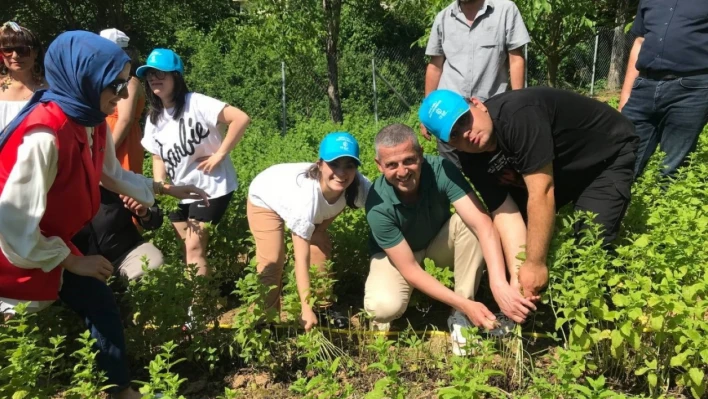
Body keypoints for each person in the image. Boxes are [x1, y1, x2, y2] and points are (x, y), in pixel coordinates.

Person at [0, 31, 208, 399]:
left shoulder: (89, 118)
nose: (125, 94)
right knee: (16, 332)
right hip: (16, 250)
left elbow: (110, 173)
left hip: (49, 241)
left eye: (125, 82)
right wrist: (70, 261)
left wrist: (161, 189)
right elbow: (11, 223)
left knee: (99, 302)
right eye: (115, 83)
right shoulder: (44, 135)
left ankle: (120, 391)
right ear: (84, 79)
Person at [419, 88, 638, 301]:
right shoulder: (470, 158)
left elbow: (541, 192)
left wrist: (535, 264)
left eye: (464, 120)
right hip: (555, 169)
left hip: (604, 156)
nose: (466, 133)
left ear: (478, 104)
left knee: (590, 243)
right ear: (449, 145)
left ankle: (600, 309)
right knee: (519, 249)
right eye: (454, 135)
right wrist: (519, 275)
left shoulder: (518, 116)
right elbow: (505, 211)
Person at [364, 124, 537, 355]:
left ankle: (461, 316)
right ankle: (461, 305)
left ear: (421, 155)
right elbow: (411, 269)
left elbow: (483, 225)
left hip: (437, 244)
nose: (403, 171)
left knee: (471, 223)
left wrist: (499, 284)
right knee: (382, 308)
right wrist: (463, 302)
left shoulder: (441, 170)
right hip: (397, 258)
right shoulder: (377, 205)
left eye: (409, 161)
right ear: (379, 165)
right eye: (392, 165)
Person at [138, 48, 250, 277]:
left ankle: (198, 310)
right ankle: (206, 291)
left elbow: (240, 118)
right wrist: (161, 184)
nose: (153, 78)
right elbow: (157, 155)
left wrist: (219, 154)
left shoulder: (196, 103)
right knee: (187, 248)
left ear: (175, 77)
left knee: (194, 246)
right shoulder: (154, 118)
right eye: (150, 74)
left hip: (210, 187)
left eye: (160, 73)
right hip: (180, 190)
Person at [247, 132, 371, 330]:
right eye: (334, 164)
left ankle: (323, 308)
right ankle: (265, 319)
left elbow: (384, 203)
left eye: (349, 165)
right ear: (320, 164)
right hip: (266, 197)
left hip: (309, 207)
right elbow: (300, 259)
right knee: (273, 259)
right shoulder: (305, 197)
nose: (342, 173)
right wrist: (305, 308)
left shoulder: (358, 184)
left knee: (319, 245)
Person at [422, 0, 529, 169]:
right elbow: (435, 66)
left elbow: (516, 59)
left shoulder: (505, 10)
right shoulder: (443, 18)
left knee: (502, 174)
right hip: (448, 117)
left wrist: (520, 106)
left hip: (487, 116)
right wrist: (428, 112)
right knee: (454, 177)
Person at [619, 0, 708, 179]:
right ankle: (622, 206)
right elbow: (639, 42)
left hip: (691, 90)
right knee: (621, 158)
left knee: (671, 168)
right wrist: (626, 95)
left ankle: (667, 205)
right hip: (644, 86)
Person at [71, 186, 164, 281]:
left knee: (152, 264)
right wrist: (73, 262)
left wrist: (146, 213)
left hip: (128, 253)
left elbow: (155, 218)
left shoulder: (111, 182)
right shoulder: (58, 199)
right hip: (80, 265)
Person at [99, 28, 146, 174]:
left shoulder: (130, 82)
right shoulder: (107, 80)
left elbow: (125, 119)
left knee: (123, 191)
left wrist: (106, 154)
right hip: (105, 139)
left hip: (121, 143)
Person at [0, 22, 45, 131]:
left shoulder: (50, 89)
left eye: (22, 50)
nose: (15, 56)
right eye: (8, 50)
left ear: (35, 52)